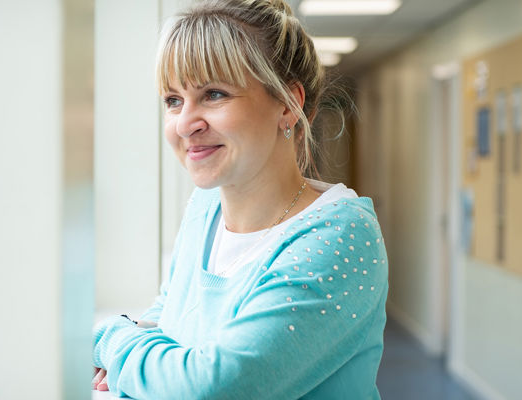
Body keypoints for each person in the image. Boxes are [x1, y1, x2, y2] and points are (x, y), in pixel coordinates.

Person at [92, 0, 388, 398]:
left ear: (287, 103)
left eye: (213, 94)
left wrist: (110, 339)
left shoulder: (340, 236)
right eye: (173, 100)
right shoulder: (206, 206)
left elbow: (213, 388)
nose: (184, 123)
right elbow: (171, 314)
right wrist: (145, 353)